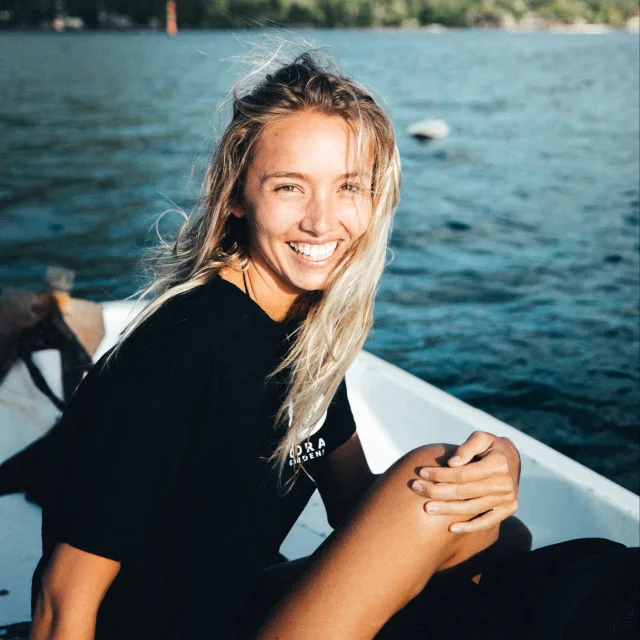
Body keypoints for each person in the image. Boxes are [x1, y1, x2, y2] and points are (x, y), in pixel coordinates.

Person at [29, 50, 637, 640]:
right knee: (429, 479)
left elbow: (353, 504)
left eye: (348, 187)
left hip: (229, 607)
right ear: (237, 197)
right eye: (290, 187)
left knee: (498, 534)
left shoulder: (300, 334)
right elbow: (63, 601)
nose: (322, 222)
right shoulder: (178, 353)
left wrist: (496, 464)